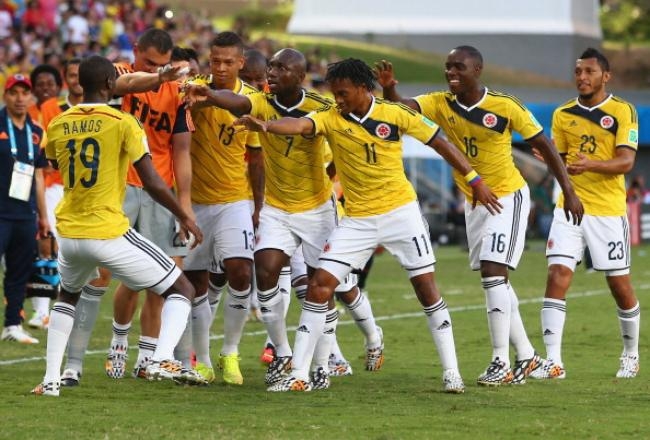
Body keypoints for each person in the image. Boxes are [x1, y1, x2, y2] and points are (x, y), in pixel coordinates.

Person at [235, 57, 503, 393]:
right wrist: (267, 126)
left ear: (363, 88)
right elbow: (301, 126)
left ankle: (451, 372)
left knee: (426, 289)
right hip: (358, 220)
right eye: (335, 94)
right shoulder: (331, 117)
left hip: (401, 215)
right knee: (320, 286)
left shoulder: (395, 114)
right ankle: (300, 373)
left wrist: (475, 179)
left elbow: (441, 143)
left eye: (344, 93)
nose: (339, 99)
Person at [375, 45, 584, 386]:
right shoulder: (440, 102)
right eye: (447, 67)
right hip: (475, 203)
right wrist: (389, 89)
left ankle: (500, 360)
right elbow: (402, 110)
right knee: (494, 279)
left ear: (477, 69)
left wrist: (570, 191)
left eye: (458, 67)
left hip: (507, 196)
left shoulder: (504, 105)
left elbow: (544, 145)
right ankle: (528, 355)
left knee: (493, 272)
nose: (451, 72)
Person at [185, 48, 383, 389]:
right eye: (271, 66)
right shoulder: (261, 101)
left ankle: (334, 356)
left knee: (330, 287)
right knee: (264, 273)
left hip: (318, 210)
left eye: (281, 67)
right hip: (277, 210)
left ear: (300, 77)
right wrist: (211, 95)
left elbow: (344, 147)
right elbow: (236, 102)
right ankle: (282, 352)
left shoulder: (321, 107)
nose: (272, 72)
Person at [31, 55, 206, 397]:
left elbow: (52, 161)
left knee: (67, 296)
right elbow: (154, 182)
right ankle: (160, 358)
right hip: (106, 228)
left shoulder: (59, 122)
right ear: (111, 85)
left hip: (69, 230)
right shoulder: (124, 122)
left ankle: (52, 379)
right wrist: (183, 214)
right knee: (181, 289)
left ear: (79, 83)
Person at [530, 48, 640, 380]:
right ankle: (553, 362)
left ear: (605, 76)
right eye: (578, 71)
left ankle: (631, 353)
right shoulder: (562, 114)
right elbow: (561, 166)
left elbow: (626, 162)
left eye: (590, 72)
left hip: (607, 212)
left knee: (618, 284)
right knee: (557, 276)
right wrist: (550, 160)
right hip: (570, 208)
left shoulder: (623, 111)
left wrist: (590, 164)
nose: (582, 77)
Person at [182, 31, 264, 385]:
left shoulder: (253, 99)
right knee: (196, 282)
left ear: (241, 63)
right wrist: (201, 97)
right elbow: (192, 105)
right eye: (215, 60)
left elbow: (256, 159)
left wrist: (258, 207)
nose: (220, 67)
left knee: (241, 272)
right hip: (194, 201)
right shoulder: (194, 87)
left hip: (234, 199)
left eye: (228, 62)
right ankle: (200, 358)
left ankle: (230, 352)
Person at [26, 58, 85, 331]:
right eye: (71, 75)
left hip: (85, 188)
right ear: (67, 79)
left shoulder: (98, 108)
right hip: (54, 184)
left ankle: (65, 306)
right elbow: (44, 146)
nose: (76, 80)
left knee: (73, 249)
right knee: (46, 240)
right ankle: (40, 309)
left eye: (79, 75)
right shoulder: (51, 108)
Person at [0, 74, 49, 344]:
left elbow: (39, 177)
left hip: (24, 213)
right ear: (5, 95)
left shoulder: (37, 131)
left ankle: (12, 325)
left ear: (31, 98)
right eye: (14, 93)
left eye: (24, 93)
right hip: (0, 212)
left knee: (19, 272)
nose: (20, 98)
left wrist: (43, 217)